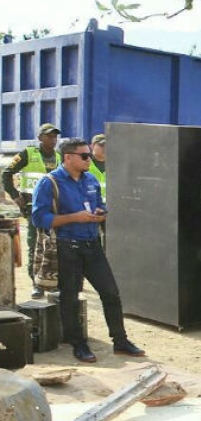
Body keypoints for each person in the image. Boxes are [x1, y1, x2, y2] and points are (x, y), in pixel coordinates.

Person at [31, 138, 144, 363]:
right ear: (68, 158)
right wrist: (75, 217)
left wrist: (101, 212)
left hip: (92, 245)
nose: (89, 159)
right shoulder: (49, 183)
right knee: (70, 297)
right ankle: (78, 344)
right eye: (84, 156)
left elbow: (98, 203)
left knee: (110, 293)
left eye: (89, 155)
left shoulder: (90, 179)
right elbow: (38, 218)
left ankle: (120, 341)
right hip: (66, 248)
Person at [3, 123, 62, 298]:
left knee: (53, 246)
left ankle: (51, 282)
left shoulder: (59, 157)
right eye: (49, 136)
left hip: (54, 209)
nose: (52, 139)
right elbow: (6, 174)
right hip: (33, 208)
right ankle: (35, 283)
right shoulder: (28, 154)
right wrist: (15, 195)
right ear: (40, 138)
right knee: (35, 245)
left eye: (54, 136)